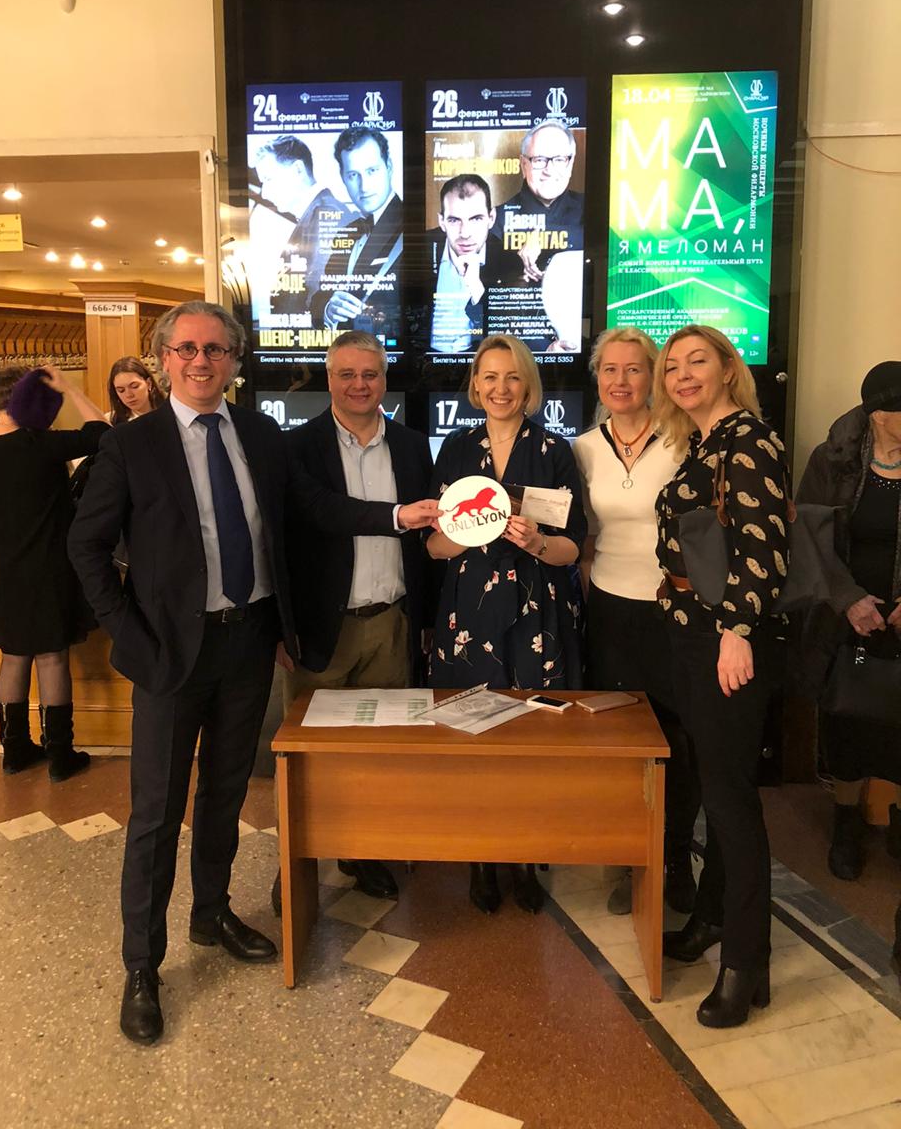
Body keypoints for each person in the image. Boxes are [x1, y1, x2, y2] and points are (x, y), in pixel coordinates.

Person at [68, 300, 297, 1047]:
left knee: (226, 794)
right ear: (164, 358)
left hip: (247, 643)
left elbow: (288, 530)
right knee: (156, 814)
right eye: (188, 349)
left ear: (234, 360)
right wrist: (129, 639)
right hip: (168, 654)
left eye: (216, 349)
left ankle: (211, 913)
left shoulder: (259, 434)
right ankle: (142, 965)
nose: (202, 361)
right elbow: (86, 547)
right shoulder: (132, 444)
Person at [654, 324, 789, 1029]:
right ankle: (711, 918)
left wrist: (736, 633)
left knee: (732, 802)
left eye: (697, 361)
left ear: (728, 369)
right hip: (692, 635)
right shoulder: (704, 443)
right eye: (672, 365)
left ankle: (746, 962)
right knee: (715, 786)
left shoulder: (750, 442)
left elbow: (764, 549)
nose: (682, 374)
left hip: (725, 640)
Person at [276, 330, 441, 908]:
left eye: (370, 374)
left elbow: (427, 543)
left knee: (376, 752)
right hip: (324, 628)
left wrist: (425, 617)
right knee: (310, 757)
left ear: (385, 379)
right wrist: (282, 627)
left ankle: (361, 851)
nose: (359, 385)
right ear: (329, 379)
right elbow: (318, 516)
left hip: (392, 624)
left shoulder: (414, 446)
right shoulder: (297, 447)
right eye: (346, 374)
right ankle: (297, 861)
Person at [427, 334, 585, 915]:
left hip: (537, 613)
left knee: (531, 741)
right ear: (475, 385)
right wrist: (466, 533)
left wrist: (538, 541)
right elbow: (434, 547)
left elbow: (574, 546)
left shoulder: (554, 450)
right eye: (490, 377)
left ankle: (525, 857)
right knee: (473, 738)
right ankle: (481, 859)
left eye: (512, 376)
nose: (501, 388)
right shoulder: (456, 449)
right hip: (468, 613)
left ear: (529, 386)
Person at [573, 327, 700, 918]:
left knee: (680, 738)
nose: (620, 381)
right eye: (610, 370)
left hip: (676, 609)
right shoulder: (582, 449)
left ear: (653, 377)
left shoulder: (686, 439)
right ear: (597, 378)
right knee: (621, 740)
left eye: (633, 369)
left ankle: (675, 859)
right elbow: (582, 537)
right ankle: (631, 858)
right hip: (611, 608)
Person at [0, 365, 108, 780]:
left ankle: (14, 751)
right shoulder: (41, 443)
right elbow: (103, 432)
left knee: (13, 657)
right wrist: (70, 389)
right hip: (48, 564)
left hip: (4, 567)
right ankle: (60, 754)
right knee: (51, 657)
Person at [796, 361, 901, 880]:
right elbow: (808, 536)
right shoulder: (832, 460)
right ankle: (847, 821)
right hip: (846, 617)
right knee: (848, 723)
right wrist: (851, 600)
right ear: (879, 415)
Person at [312, 128, 402, 336]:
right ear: (343, 178)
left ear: (389, 167)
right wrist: (329, 309)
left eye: (372, 170)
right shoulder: (348, 233)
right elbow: (320, 297)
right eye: (353, 175)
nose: (364, 186)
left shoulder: (415, 227)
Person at [253, 135, 354, 316]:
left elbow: (317, 293)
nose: (265, 193)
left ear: (297, 170)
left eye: (268, 179)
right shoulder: (319, 213)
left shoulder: (326, 214)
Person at [427, 174, 518, 354]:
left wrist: (476, 288)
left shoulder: (509, 261)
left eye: (476, 219)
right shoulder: (421, 247)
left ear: (491, 218)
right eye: (454, 220)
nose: (465, 233)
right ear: (442, 222)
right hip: (425, 363)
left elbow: (505, 339)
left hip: (481, 362)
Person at [491, 120, 584, 284]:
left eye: (559, 160)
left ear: (570, 165)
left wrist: (544, 235)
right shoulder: (496, 220)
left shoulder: (591, 210)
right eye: (539, 160)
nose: (549, 171)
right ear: (523, 165)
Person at [107, 357, 165, 424]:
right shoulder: (112, 422)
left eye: (134, 386)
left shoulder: (169, 412)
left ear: (149, 383)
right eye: (121, 390)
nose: (129, 395)